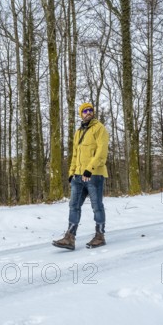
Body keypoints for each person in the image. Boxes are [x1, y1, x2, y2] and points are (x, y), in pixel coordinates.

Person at [53, 102, 109, 250]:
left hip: (94, 175)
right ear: (81, 114)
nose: (88, 112)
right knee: (74, 206)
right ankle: (69, 238)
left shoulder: (99, 129)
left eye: (90, 110)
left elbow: (102, 152)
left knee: (97, 206)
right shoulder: (78, 132)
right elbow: (75, 155)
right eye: (85, 111)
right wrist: (71, 173)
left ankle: (100, 236)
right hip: (78, 176)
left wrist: (89, 169)